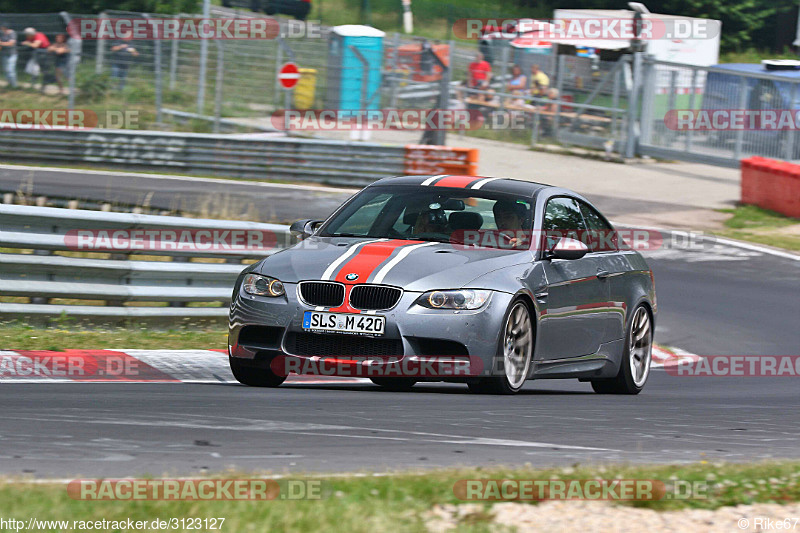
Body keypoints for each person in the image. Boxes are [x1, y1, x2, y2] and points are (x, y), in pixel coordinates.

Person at [0, 22, 17, 89]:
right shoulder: (2, 34)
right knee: (6, 70)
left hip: (12, 54)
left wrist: (1, 43)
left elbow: (11, 43)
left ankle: (14, 86)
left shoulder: (12, 33)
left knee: (10, 70)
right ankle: (9, 84)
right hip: (4, 54)